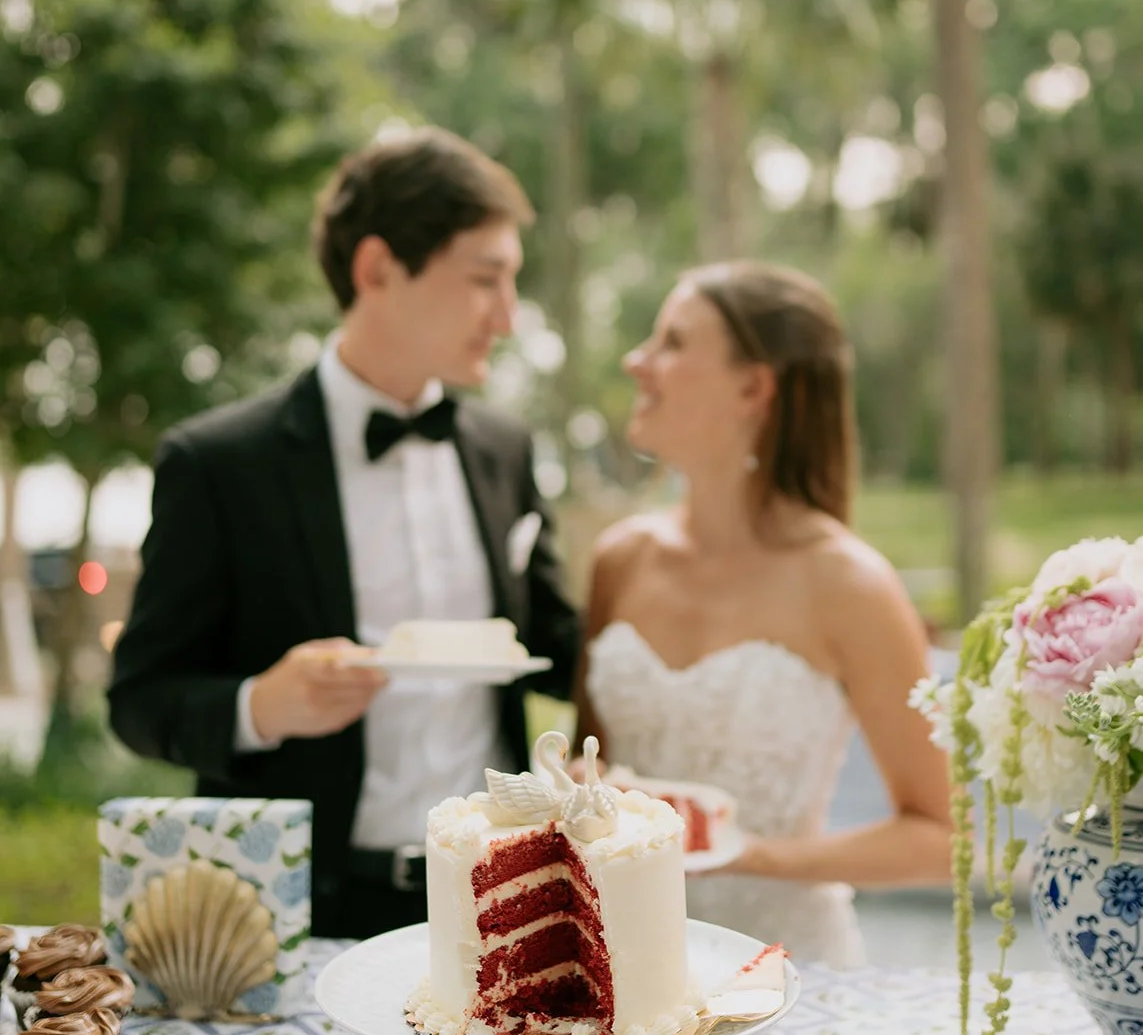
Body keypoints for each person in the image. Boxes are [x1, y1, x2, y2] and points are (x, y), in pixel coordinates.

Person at [109, 127, 579, 939]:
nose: (506, 315)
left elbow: (557, 641)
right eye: (484, 280)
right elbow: (139, 700)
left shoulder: (505, 449)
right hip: (300, 912)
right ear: (377, 270)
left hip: (496, 903)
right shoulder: (219, 463)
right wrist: (264, 705)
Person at [576, 260, 950, 967]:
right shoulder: (618, 559)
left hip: (783, 973)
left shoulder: (849, 584)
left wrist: (751, 857)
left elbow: (943, 839)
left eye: (672, 343)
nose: (637, 361)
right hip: (620, 969)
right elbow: (590, 766)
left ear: (753, 387)